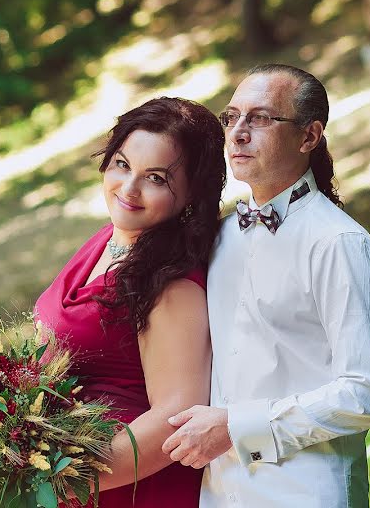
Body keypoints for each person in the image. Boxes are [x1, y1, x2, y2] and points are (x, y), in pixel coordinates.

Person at [162, 64, 370, 507]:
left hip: (305, 492)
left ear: (309, 137)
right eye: (231, 118)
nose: (238, 133)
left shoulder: (339, 244)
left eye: (262, 118)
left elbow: (369, 391)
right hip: (218, 491)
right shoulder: (218, 236)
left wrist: (236, 426)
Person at [34, 96, 226, 507]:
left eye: (156, 178)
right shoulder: (109, 239)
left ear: (192, 192)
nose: (129, 188)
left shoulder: (171, 283)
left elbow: (177, 413)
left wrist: (70, 482)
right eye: (122, 164)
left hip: (124, 486)